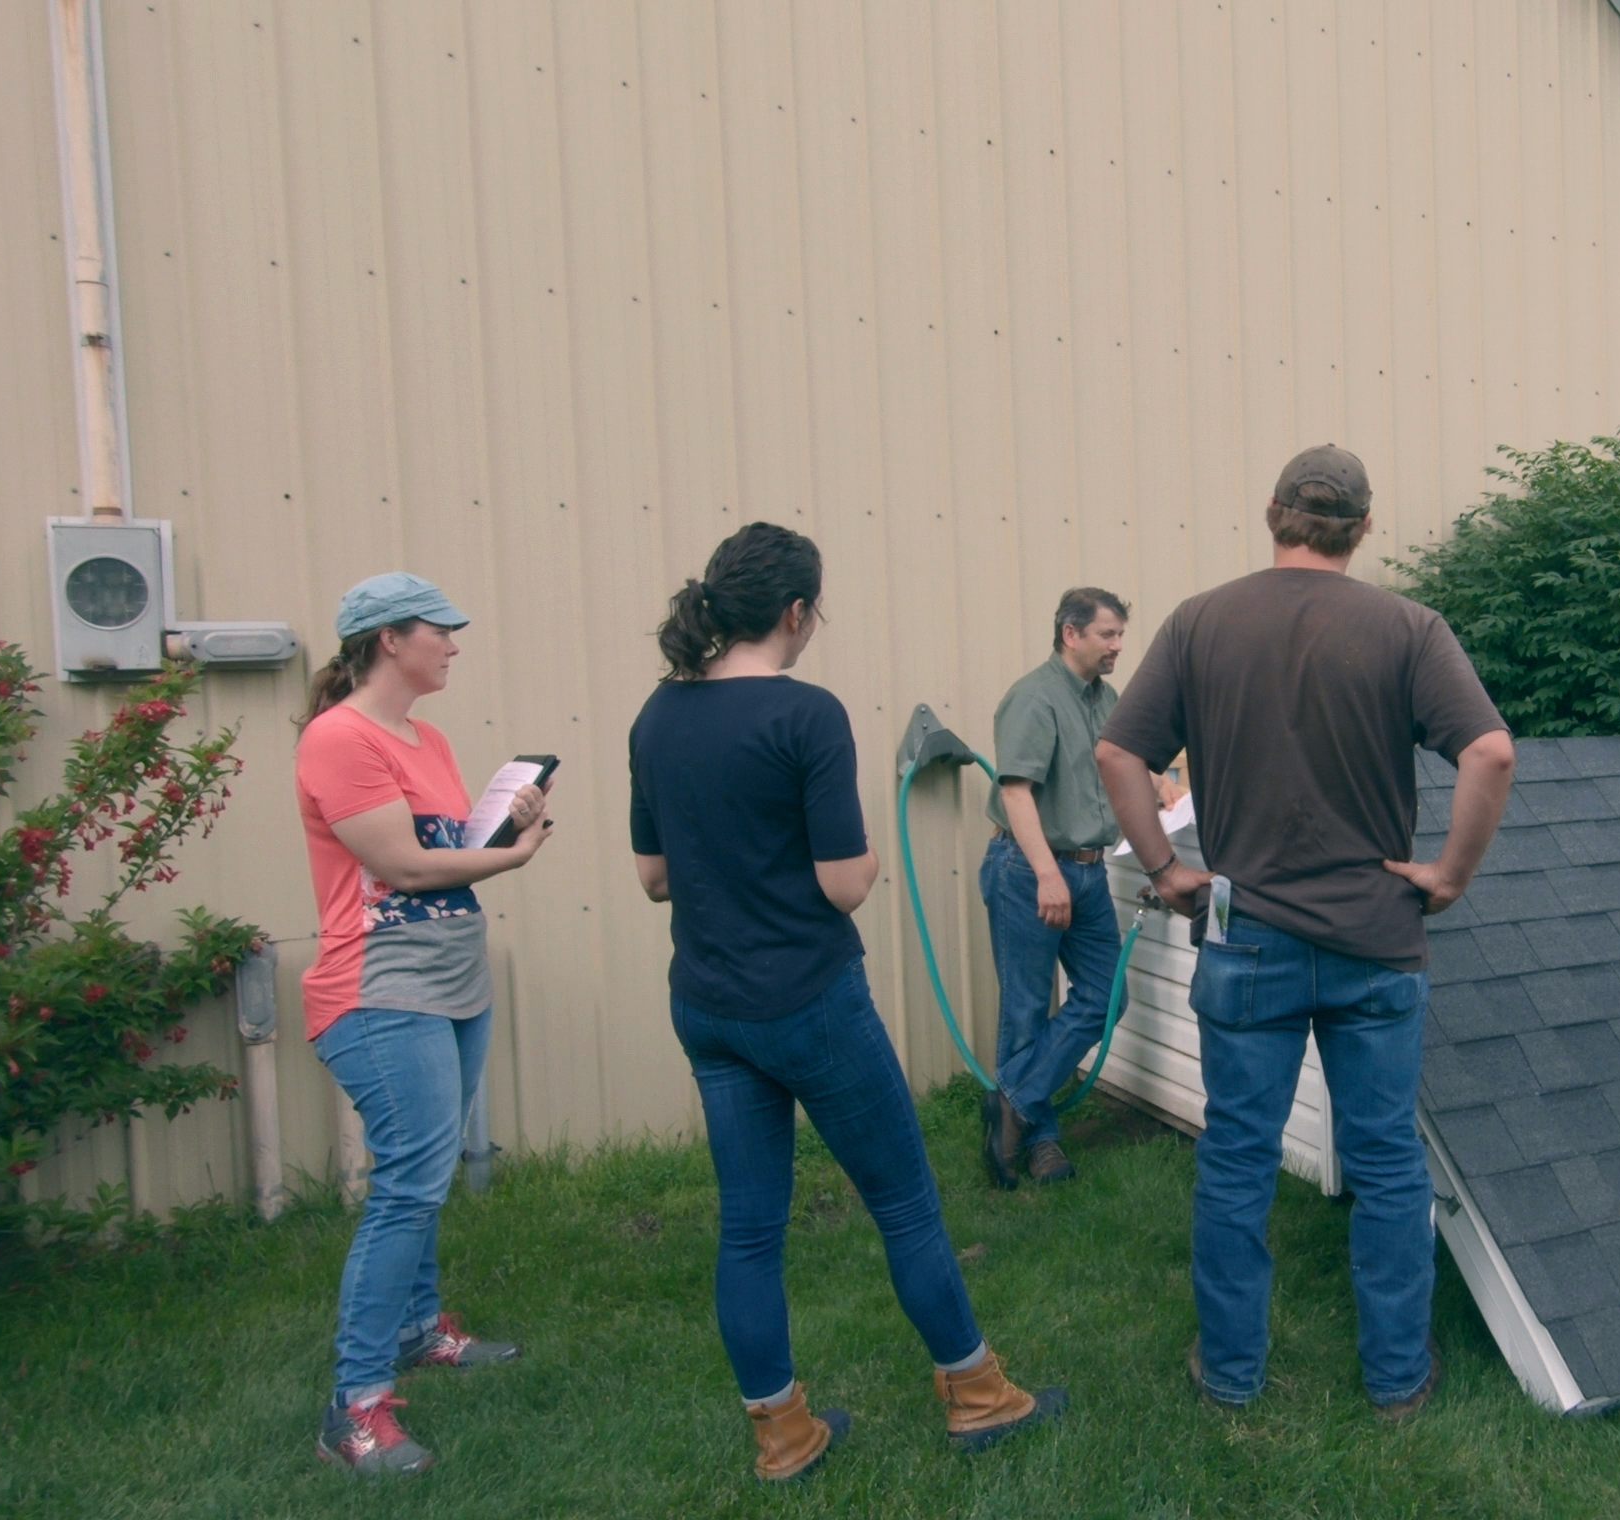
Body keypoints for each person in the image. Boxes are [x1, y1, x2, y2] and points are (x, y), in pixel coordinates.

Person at [627, 522, 1064, 1482]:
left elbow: (655, 877)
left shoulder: (657, 716)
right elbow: (846, 884)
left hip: (707, 1006)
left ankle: (783, 1435)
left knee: (748, 1226)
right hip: (809, 1002)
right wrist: (852, 859)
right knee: (905, 1204)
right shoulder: (805, 715)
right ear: (795, 612)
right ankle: (979, 1395)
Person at [1096, 444, 1516, 1420]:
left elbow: (1119, 750)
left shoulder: (1201, 622)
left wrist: (1164, 872)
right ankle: (1397, 1377)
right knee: (1384, 1160)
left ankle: (1232, 1372)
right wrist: (1449, 873)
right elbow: (1489, 751)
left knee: (1237, 1158)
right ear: (1363, 527)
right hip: (1378, 940)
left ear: (1274, 511)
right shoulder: (1408, 627)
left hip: (1246, 940)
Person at [294, 572, 554, 1477]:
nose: (452, 643)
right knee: (407, 1182)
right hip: (377, 990)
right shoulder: (338, 738)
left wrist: (502, 824)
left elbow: (445, 853)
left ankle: (416, 1330)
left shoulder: (428, 738)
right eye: (437, 631)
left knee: (428, 1166)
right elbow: (402, 867)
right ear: (386, 640)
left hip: (452, 981)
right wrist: (511, 856)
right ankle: (354, 1408)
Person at [979, 587, 1134, 1189]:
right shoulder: (1034, 698)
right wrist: (1047, 873)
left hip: (1090, 870)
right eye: (1108, 635)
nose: (1118, 645)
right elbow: (1016, 791)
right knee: (1025, 1011)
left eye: (1120, 634)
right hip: (1029, 869)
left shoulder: (1105, 698)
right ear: (1071, 634)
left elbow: (1115, 766)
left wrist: (1160, 786)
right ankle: (1040, 1143)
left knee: (1106, 996)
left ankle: (1012, 1100)